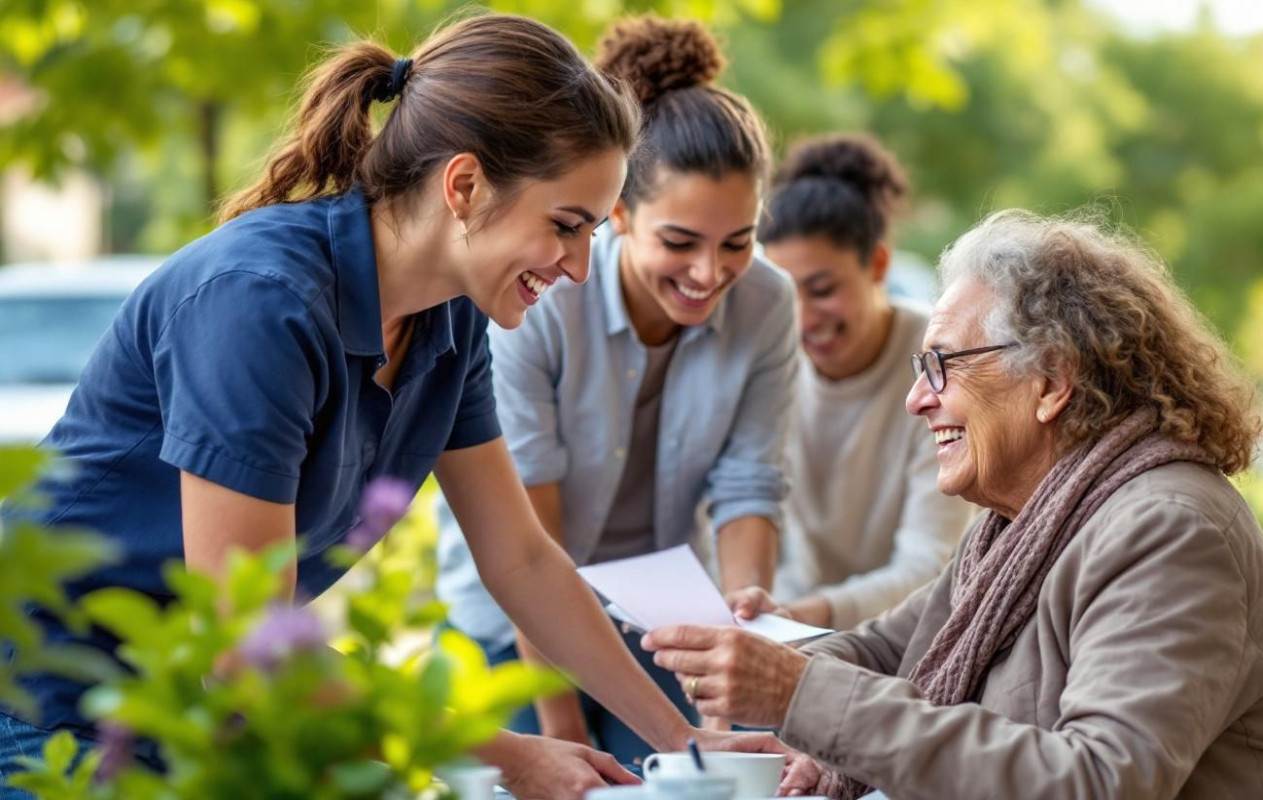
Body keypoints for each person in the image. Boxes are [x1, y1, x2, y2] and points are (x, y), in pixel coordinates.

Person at [0, 14, 782, 800]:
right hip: (45, 701)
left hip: (182, 708)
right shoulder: (261, 304)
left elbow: (522, 559)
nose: (581, 266)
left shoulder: (451, 318)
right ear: (466, 186)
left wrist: (685, 741)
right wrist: (503, 753)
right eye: (566, 226)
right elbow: (248, 643)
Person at [642, 209, 1263, 798]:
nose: (918, 399)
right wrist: (760, 667)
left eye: (942, 365)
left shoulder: (1167, 529)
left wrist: (800, 695)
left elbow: (1099, 782)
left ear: (1050, 381)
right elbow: (889, 651)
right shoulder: (1023, 526)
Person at [434, 15, 796, 763]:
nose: (710, 273)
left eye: (738, 241)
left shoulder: (768, 303)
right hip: (511, 623)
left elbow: (747, 485)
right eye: (680, 242)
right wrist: (562, 741)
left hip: (656, 626)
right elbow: (529, 555)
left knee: (711, 767)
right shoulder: (535, 296)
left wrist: (742, 629)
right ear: (621, 213)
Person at [756, 134, 970, 631]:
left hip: (921, 629)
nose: (803, 317)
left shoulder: (939, 361)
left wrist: (809, 613)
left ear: (877, 264)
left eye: (823, 289)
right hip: (802, 624)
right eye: (783, 293)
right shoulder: (770, 364)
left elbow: (931, 566)